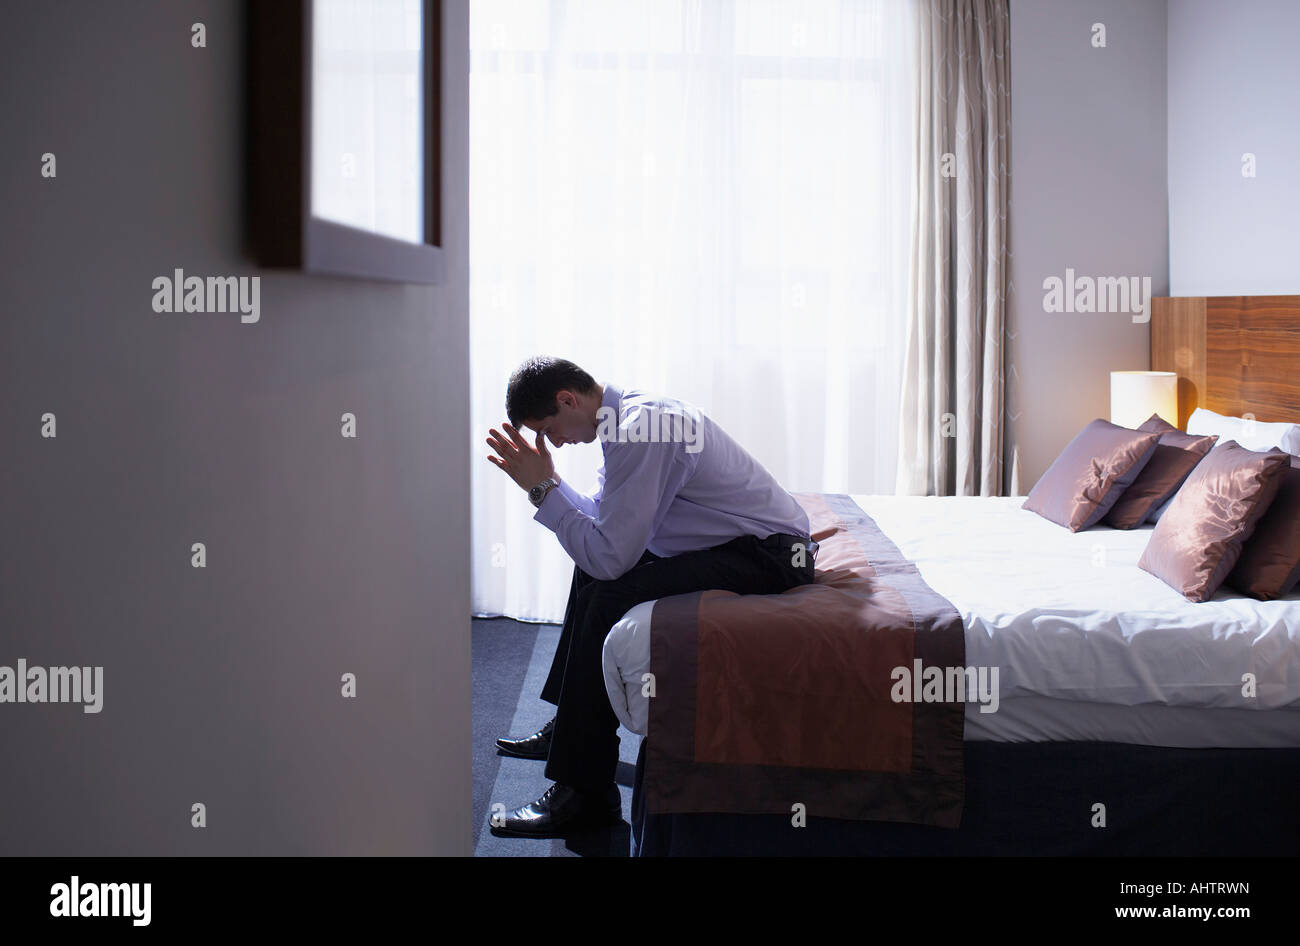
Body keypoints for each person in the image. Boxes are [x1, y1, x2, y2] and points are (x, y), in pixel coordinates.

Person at [484, 356, 816, 837]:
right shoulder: (626, 424)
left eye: (547, 429)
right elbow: (603, 518)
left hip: (770, 559)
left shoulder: (645, 428)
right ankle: (570, 729)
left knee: (605, 591)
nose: (552, 442)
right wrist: (549, 484)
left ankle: (586, 796)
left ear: (567, 400)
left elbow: (611, 557)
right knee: (589, 569)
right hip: (733, 544)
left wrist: (541, 490)